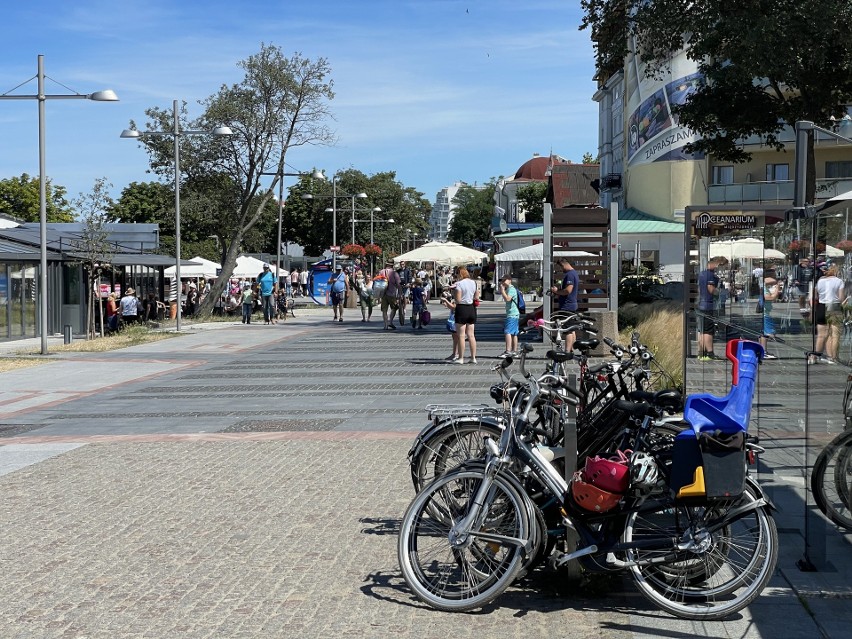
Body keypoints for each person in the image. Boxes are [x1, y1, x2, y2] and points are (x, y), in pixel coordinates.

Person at [813, 264, 845, 364]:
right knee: (835, 334)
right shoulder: (839, 281)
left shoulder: (820, 281)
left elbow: (816, 296)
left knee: (821, 335)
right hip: (834, 307)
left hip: (822, 307)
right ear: (836, 271)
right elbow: (841, 298)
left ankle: (814, 357)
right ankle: (833, 358)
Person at [550, 257, 580, 351]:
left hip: (567, 306)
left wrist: (557, 291)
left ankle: (567, 351)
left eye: (559, 268)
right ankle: (571, 349)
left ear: (563, 265)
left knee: (568, 330)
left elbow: (568, 290)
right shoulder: (574, 273)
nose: (560, 270)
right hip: (571, 305)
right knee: (572, 328)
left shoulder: (569, 275)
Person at [696, 258, 721, 361]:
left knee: (701, 330)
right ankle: (710, 353)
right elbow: (711, 289)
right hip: (708, 305)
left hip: (701, 304)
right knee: (708, 330)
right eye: (718, 265)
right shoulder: (710, 275)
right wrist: (718, 292)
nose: (718, 268)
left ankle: (701, 352)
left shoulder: (701, 274)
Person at [454, 267, 479, 364]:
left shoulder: (459, 284)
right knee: (471, 335)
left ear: (460, 274)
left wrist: (454, 295)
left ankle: (461, 358)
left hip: (462, 309)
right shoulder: (474, 283)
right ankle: (473, 357)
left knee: (461, 335)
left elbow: (458, 300)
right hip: (471, 308)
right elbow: (476, 297)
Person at [499, 273, 520, 358]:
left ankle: (508, 351)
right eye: (502, 280)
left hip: (512, 314)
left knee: (508, 332)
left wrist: (502, 290)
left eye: (505, 280)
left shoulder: (511, 289)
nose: (503, 282)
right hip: (514, 313)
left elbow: (508, 299)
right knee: (514, 333)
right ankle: (514, 351)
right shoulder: (510, 289)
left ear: (510, 280)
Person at [759, 276, 780, 359]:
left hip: (765, 313)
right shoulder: (763, 286)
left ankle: (762, 351)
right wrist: (777, 288)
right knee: (767, 334)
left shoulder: (762, 285)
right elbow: (769, 298)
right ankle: (763, 351)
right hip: (765, 314)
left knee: (763, 333)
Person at [378, 260, 402, 330]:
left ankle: (385, 325)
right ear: (392, 265)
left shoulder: (381, 272)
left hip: (383, 293)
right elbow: (398, 284)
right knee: (394, 307)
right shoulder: (394, 273)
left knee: (384, 310)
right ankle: (390, 322)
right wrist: (400, 293)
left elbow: (377, 282)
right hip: (392, 293)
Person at [440, 287, 461, 361]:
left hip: (457, 319)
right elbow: (451, 307)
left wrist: (446, 300)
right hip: (454, 319)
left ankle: (457, 354)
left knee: (457, 337)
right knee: (455, 337)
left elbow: (454, 307)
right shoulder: (455, 299)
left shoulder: (458, 298)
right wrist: (446, 303)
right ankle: (454, 353)